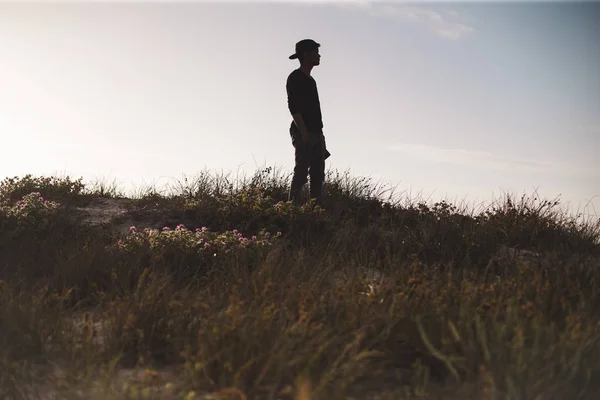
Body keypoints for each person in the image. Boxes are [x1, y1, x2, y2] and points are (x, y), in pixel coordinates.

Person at [286, 39, 331, 205]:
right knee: (301, 172)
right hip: (304, 132)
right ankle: (293, 209)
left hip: (317, 132)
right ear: (306, 54)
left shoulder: (311, 80)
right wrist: (304, 133)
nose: (319, 55)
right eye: (315, 52)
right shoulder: (295, 77)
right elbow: (294, 108)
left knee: (318, 175)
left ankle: (314, 210)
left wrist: (319, 135)